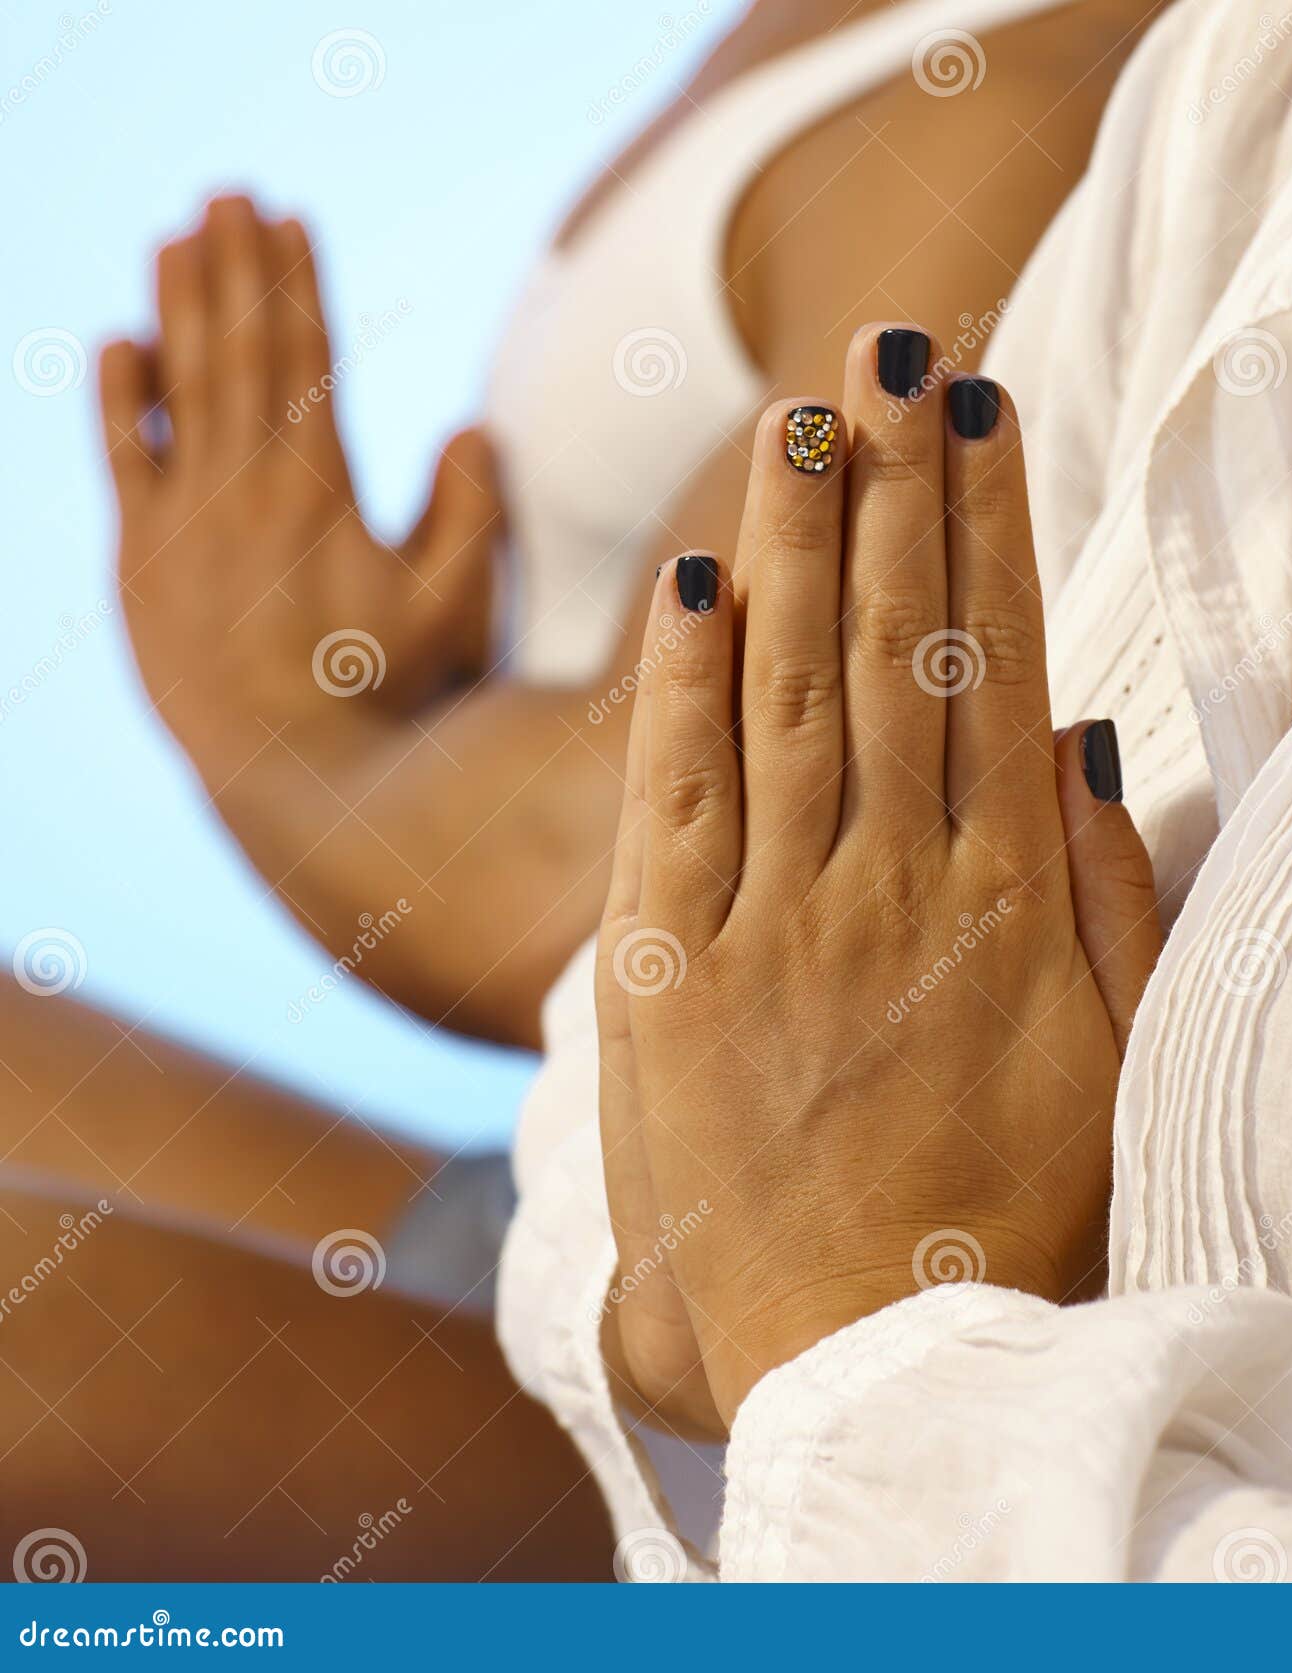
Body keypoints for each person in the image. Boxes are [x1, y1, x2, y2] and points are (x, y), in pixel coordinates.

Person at [17, 0, 1161, 1576]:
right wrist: (383, 704)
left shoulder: (995, 92)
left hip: (754, 1369)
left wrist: (283, 744)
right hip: (567, 1223)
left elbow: (632, 876)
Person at [501, 0, 1292, 1579]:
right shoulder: (1273, 75)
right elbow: (631, 1017)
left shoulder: (1016, 94)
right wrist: (728, 1285)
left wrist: (836, 1320)